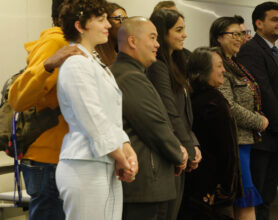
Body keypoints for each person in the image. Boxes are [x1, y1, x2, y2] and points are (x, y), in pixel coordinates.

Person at [55, 1, 138, 219]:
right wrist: (121, 156)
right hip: (84, 166)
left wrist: (126, 147)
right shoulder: (75, 64)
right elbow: (92, 118)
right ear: (80, 26)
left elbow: (110, 117)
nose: (108, 25)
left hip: (104, 162)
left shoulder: (95, 64)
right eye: (100, 20)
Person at [7, 0, 85, 219]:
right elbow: (19, 98)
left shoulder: (73, 45)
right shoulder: (56, 43)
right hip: (49, 160)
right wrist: (48, 65)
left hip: (59, 158)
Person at [110, 16, 188, 220]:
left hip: (148, 182)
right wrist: (178, 153)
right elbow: (155, 126)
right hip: (145, 185)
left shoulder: (132, 73)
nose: (157, 44)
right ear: (133, 41)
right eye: (152, 38)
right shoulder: (129, 76)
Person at [236, 2, 278, 219]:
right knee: (258, 199)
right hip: (262, 140)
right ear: (259, 23)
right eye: (275, 20)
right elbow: (262, 90)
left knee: (269, 197)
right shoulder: (250, 50)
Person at [209, 16, 268, 220]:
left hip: (244, 140)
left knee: (244, 197)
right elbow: (228, 106)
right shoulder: (217, 63)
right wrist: (258, 121)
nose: (239, 38)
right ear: (218, 37)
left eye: (241, 34)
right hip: (232, 141)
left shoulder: (235, 63)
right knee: (243, 198)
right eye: (233, 34)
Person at [147, 9, 202, 220]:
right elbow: (170, 112)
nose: (184, 35)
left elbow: (184, 112)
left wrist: (192, 144)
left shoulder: (177, 63)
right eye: (178, 30)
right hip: (169, 151)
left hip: (181, 147)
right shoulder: (158, 67)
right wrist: (188, 146)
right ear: (163, 33)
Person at [179, 47, 242, 220]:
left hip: (194, 185)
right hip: (214, 189)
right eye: (219, 66)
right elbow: (227, 151)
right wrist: (228, 188)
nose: (224, 70)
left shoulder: (189, 97)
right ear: (204, 70)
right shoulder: (214, 103)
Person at [96, 2, 128, 66]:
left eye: (126, 19)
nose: (125, 24)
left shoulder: (123, 50)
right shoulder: (96, 54)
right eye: (119, 18)